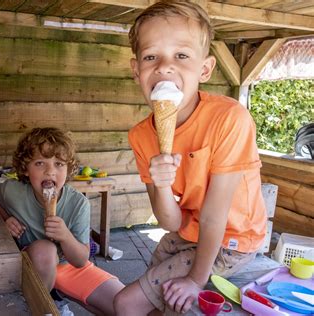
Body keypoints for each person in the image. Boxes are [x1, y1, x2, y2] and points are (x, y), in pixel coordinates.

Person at [114, 1, 267, 315]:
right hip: (185, 232)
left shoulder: (229, 119)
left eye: (181, 55)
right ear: (136, 70)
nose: (164, 67)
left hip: (231, 241)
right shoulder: (141, 136)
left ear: (205, 69)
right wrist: (161, 184)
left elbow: (216, 216)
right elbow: (170, 221)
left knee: (126, 303)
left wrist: (197, 280)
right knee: (157, 304)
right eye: (151, 56)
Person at [0, 127, 124, 315]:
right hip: (34, 265)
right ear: (25, 168)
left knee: (126, 306)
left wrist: (65, 236)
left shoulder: (78, 204)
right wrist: (5, 220)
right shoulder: (12, 191)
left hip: (69, 265)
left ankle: (56, 297)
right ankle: (45, 305)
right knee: (45, 250)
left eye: (59, 164)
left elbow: (81, 260)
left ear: (69, 168)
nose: (50, 172)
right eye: (40, 163)